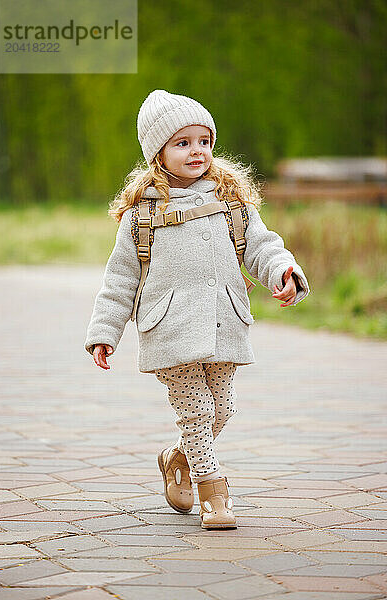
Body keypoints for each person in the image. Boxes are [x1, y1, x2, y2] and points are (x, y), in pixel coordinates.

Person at [84, 89, 310, 529]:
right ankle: (213, 490)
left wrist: (284, 271)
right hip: (167, 327)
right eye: (182, 143)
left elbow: (261, 247)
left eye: (203, 141)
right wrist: (104, 331)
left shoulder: (231, 203)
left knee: (222, 409)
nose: (197, 151)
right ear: (158, 153)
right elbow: (120, 279)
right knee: (197, 412)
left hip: (224, 321)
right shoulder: (143, 214)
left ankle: (177, 457)